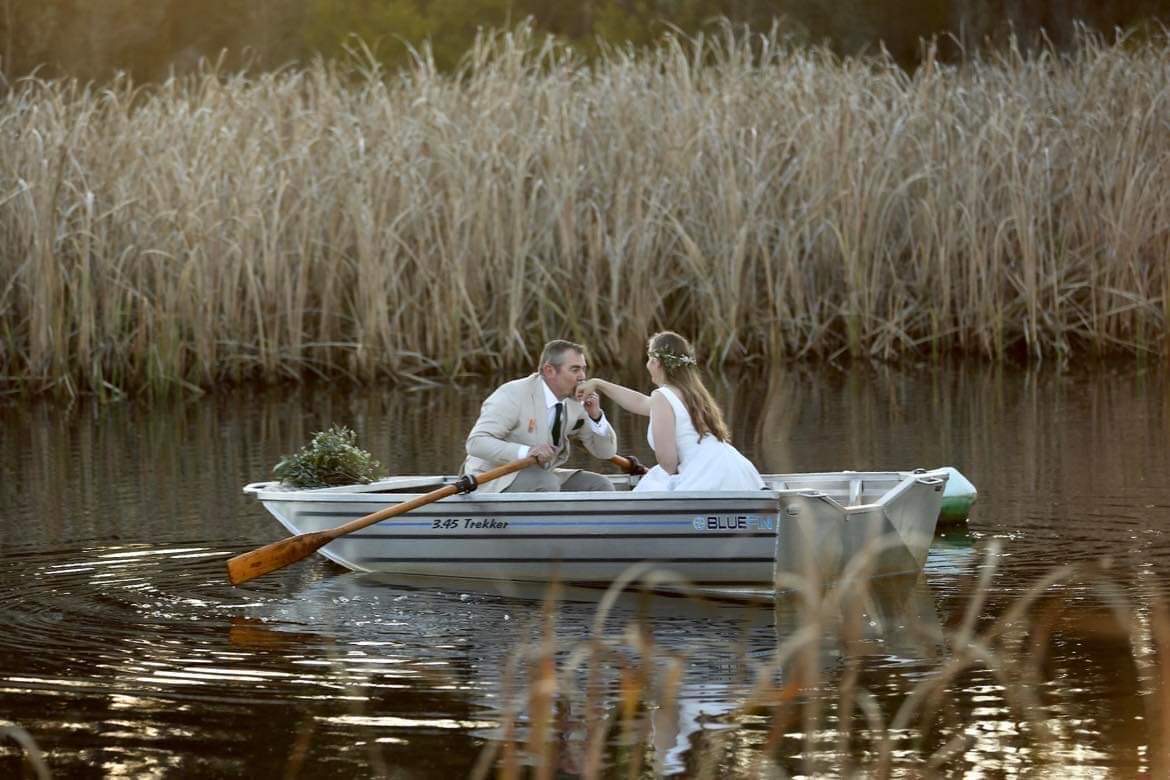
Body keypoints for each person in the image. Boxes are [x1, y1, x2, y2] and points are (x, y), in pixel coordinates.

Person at [576, 331, 763, 492]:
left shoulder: (663, 397)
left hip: (706, 475)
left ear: (657, 362)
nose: (647, 365)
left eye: (649, 359)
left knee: (648, 490)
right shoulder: (693, 392)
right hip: (735, 467)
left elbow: (669, 464)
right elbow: (640, 402)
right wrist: (598, 383)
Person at [462, 339, 618, 493]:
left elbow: (605, 453)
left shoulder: (577, 401)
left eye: (584, 369)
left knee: (600, 485)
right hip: (493, 478)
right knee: (546, 482)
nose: (582, 377)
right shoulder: (512, 394)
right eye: (575, 370)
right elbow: (476, 442)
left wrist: (596, 417)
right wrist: (527, 452)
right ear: (549, 370)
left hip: (544, 475)